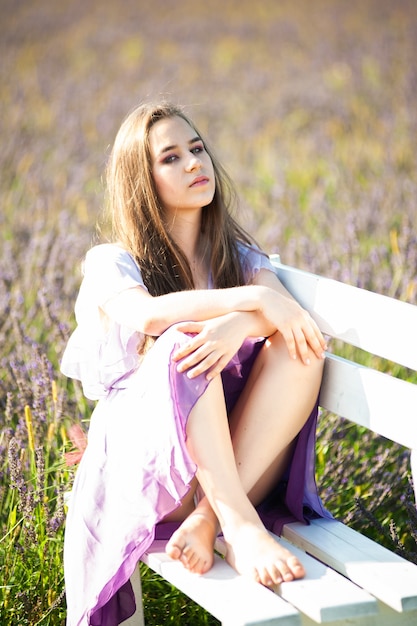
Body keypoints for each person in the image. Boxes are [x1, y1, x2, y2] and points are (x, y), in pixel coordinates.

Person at [61, 101, 329, 626]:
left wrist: (238, 321)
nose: (193, 163)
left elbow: (285, 313)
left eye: (197, 148)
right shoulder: (111, 262)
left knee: (302, 346)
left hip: (232, 475)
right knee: (183, 341)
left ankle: (216, 520)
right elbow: (148, 315)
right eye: (171, 157)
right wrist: (247, 305)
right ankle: (239, 526)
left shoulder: (241, 257)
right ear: (142, 179)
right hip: (158, 483)